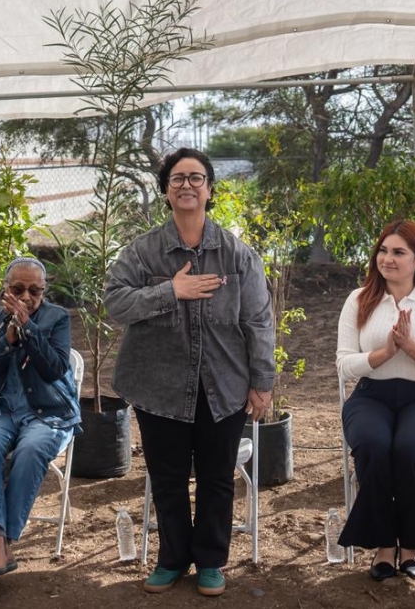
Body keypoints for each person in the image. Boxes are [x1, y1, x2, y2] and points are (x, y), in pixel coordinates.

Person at [104, 148, 275, 597]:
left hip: (224, 384)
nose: (187, 185)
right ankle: (172, 559)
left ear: (209, 189)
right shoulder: (143, 251)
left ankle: (211, 562)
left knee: (217, 477)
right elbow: (114, 302)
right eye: (177, 178)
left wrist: (262, 382)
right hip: (159, 386)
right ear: (165, 190)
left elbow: (258, 321)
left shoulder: (237, 254)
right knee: (168, 477)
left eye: (196, 178)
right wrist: (170, 290)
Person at [335, 219, 415, 581]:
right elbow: (344, 365)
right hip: (371, 395)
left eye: (399, 252)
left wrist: (410, 346)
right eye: (383, 250)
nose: (387, 259)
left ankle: (411, 546)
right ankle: (384, 545)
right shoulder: (359, 299)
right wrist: (386, 352)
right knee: (373, 446)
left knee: (409, 449)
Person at [0, 257, 80, 580]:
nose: (26, 297)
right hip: (1, 411)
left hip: (48, 412)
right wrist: (6, 342)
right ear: (5, 290)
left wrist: (28, 329)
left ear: (44, 291)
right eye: (18, 289)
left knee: (31, 449)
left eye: (34, 291)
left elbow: (55, 368)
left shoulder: (57, 318)